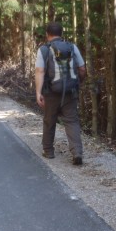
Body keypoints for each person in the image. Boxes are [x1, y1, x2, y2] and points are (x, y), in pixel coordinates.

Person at [34, 22, 86, 165]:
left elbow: (40, 71)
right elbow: (82, 69)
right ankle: (77, 152)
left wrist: (38, 92)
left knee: (49, 120)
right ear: (61, 33)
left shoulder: (44, 50)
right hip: (70, 91)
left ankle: (48, 151)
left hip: (51, 92)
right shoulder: (72, 47)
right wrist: (78, 83)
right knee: (71, 121)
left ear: (47, 34)